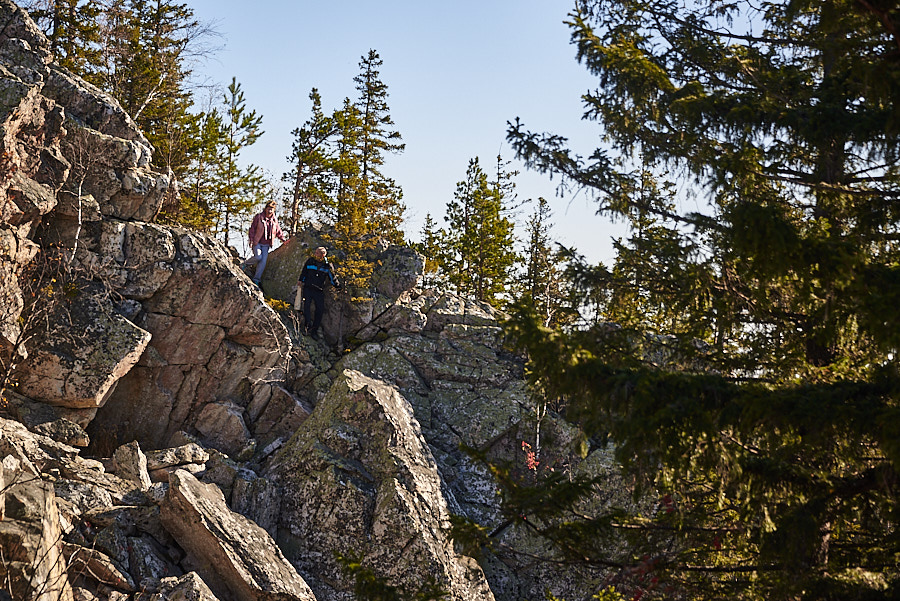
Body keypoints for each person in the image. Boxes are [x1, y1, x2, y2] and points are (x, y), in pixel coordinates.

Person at [297, 246, 341, 337]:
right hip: (308, 288)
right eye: (315, 252)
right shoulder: (310, 261)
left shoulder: (327, 265)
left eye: (317, 253)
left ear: (323, 255)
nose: (315, 254)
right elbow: (304, 271)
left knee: (320, 310)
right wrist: (301, 280)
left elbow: (332, 277)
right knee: (307, 306)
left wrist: (338, 286)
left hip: (319, 289)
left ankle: (314, 330)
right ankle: (307, 327)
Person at [244, 200, 287, 287]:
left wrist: (283, 240)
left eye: (272, 209)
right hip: (257, 242)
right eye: (268, 209)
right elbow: (252, 229)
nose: (270, 211)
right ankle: (245, 264)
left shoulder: (274, 220)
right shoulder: (259, 217)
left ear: (274, 210)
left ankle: (256, 279)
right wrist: (251, 240)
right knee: (258, 257)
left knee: (263, 262)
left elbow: (278, 231)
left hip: (266, 244)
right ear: (265, 209)